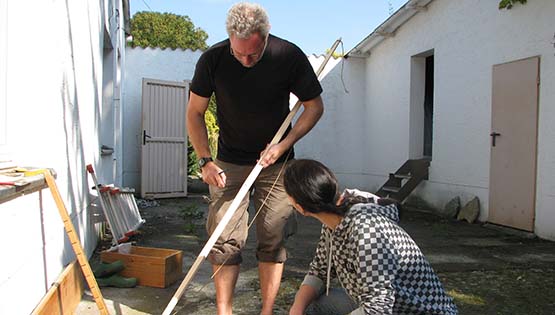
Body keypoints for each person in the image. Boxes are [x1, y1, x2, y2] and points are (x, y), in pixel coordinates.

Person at [186, 2, 324, 315]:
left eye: (254, 53)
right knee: (223, 239)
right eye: (240, 54)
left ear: (265, 36)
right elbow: (194, 113)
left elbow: (314, 107)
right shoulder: (213, 59)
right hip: (229, 163)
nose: (246, 61)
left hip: (276, 163)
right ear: (229, 39)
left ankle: (266, 311)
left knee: (273, 239)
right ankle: (224, 311)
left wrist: (284, 143)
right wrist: (205, 160)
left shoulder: (287, 56)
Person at [283, 159, 458, 315]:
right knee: (311, 305)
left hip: (414, 310)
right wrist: (296, 309)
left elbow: (378, 308)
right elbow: (319, 270)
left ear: (300, 207)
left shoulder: (367, 231)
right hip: (383, 305)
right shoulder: (333, 221)